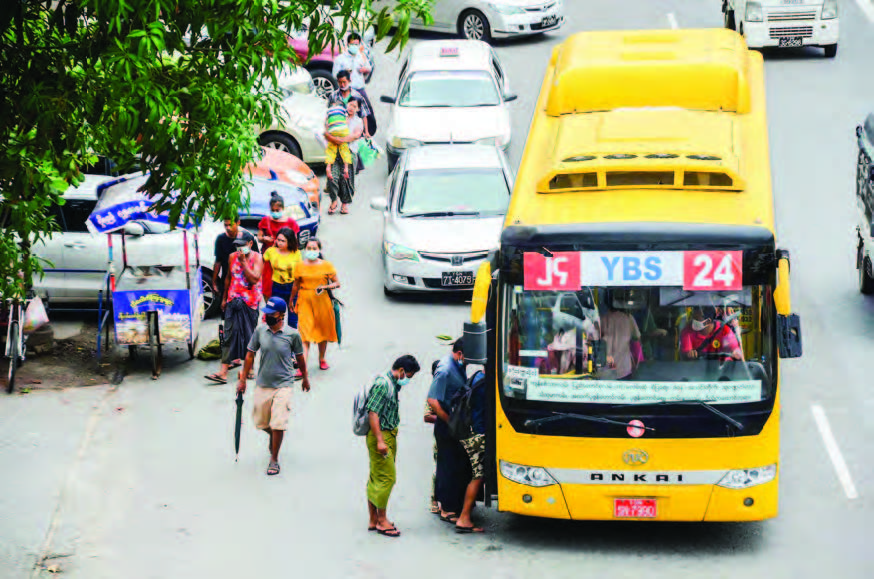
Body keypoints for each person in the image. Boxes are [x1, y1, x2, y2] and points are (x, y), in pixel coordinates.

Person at [236, 297, 309, 476]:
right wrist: (243, 380)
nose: (267, 316)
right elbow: (250, 355)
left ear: (281, 315)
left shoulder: (292, 335)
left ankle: (274, 458)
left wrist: (305, 378)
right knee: (260, 422)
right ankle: (274, 435)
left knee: (278, 422)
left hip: (284, 383)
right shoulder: (260, 331)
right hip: (264, 383)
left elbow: (300, 358)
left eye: (271, 313)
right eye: (266, 313)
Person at [364, 354, 421, 538]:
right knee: (387, 477)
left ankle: (373, 518)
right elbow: (373, 412)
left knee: (376, 475)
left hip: (386, 434)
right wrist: (380, 440)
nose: (408, 380)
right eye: (409, 376)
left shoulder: (392, 383)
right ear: (401, 371)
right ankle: (382, 520)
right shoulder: (383, 384)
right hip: (382, 435)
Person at [205, 236, 263, 384]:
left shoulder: (257, 258)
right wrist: (224, 298)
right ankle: (223, 372)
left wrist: (243, 262)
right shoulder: (232, 257)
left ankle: (249, 367)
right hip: (233, 298)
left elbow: (254, 279)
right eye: (237, 246)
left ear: (250, 244)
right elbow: (228, 278)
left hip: (250, 302)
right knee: (228, 335)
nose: (239, 249)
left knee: (248, 335)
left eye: (242, 245)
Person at [426, 338, 470, 524]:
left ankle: (453, 503)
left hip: (455, 421)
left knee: (456, 464)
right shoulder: (445, 370)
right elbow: (432, 400)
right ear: (459, 353)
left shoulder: (458, 366)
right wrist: (449, 420)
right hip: (447, 424)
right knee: (447, 465)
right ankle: (446, 508)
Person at [290, 239, 339, 370]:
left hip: (322, 303)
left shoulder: (326, 266)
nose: (311, 251)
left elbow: (337, 283)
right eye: (309, 248)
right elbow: (295, 285)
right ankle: (302, 368)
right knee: (304, 336)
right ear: (305, 249)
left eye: (314, 248)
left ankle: (322, 358)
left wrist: (325, 287)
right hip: (304, 302)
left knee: (322, 333)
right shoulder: (299, 266)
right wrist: (291, 301)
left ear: (319, 250)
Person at [456, 370, 487, 534]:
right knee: (478, 475)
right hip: (478, 435)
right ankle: (464, 518)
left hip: (468, 431)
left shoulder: (477, 376)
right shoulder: (485, 384)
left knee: (474, 475)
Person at [332, 32, 376, 136]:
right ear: (348, 44)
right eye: (352, 44)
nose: (355, 46)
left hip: (359, 88)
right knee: (347, 111)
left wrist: (364, 69)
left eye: (357, 44)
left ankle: (368, 132)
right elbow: (335, 74)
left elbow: (369, 68)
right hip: (347, 89)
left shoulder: (361, 56)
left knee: (366, 111)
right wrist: (344, 74)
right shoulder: (340, 59)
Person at [324, 98, 363, 215]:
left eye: (354, 106)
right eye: (350, 105)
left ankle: (344, 204)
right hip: (334, 152)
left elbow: (356, 135)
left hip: (349, 153)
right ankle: (334, 200)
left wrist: (340, 140)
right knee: (332, 177)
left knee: (346, 179)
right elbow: (326, 131)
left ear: (358, 109)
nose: (351, 108)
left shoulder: (358, 121)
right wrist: (334, 139)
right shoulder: (337, 115)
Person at [257, 193, 299, 299]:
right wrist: (265, 239)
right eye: (273, 210)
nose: (275, 213)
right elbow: (259, 237)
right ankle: (270, 305)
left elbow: (294, 240)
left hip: (286, 257)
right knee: (268, 285)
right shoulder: (265, 221)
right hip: (269, 259)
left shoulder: (290, 222)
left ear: (283, 209)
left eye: (277, 210)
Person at [211, 217, 258, 307]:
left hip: (246, 281)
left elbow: (256, 259)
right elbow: (218, 261)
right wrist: (214, 281)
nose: (228, 228)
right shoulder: (221, 239)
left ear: (238, 223)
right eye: (226, 225)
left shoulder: (248, 238)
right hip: (228, 279)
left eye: (230, 225)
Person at [262, 227, 301, 327]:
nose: (279, 243)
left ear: (290, 242)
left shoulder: (296, 253)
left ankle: (291, 336)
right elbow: (264, 268)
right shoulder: (270, 251)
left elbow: (299, 274)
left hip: (292, 287)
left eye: (283, 241)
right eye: (278, 240)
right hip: (276, 287)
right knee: (275, 316)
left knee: (293, 318)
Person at [601, 289, 643, 380]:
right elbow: (637, 337)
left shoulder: (603, 319)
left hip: (608, 368)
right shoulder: (628, 318)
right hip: (624, 368)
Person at [324, 103, 353, 180]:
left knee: (331, 149)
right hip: (342, 129)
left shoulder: (328, 111)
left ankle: (328, 167)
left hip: (333, 130)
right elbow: (347, 121)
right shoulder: (343, 109)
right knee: (345, 149)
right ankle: (346, 168)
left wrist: (328, 132)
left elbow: (326, 123)